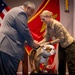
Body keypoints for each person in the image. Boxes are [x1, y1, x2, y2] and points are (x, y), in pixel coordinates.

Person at [0, 1, 40, 75]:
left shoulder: (15, 10)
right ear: (28, 8)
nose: (30, 15)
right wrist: (32, 43)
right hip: (10, 48)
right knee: (9, 72)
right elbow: (24, 30)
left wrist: (26, 42)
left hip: (6, 47)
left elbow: (16, 32)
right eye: (31, 12)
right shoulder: (20, 13)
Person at [39, 10, 75, 75]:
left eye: (43, 19)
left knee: (71, 65)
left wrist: (49, 43)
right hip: (62, 45)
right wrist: (39, 44)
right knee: (61, 64)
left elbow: (62, 38)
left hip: (70, 45)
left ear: (48, 17)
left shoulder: (56, 24)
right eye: (41, 19)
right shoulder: (47, 25)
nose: (42, 21)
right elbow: (46, 38)